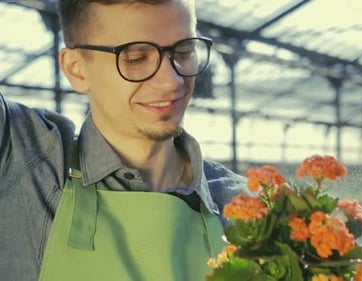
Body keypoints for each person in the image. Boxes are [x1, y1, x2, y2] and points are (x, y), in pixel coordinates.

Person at [0, 0, 247, 280]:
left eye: (184, 51)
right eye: (136, 58)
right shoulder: (23, 160)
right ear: (76, 69)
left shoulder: (248, 209)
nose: (171, 81)